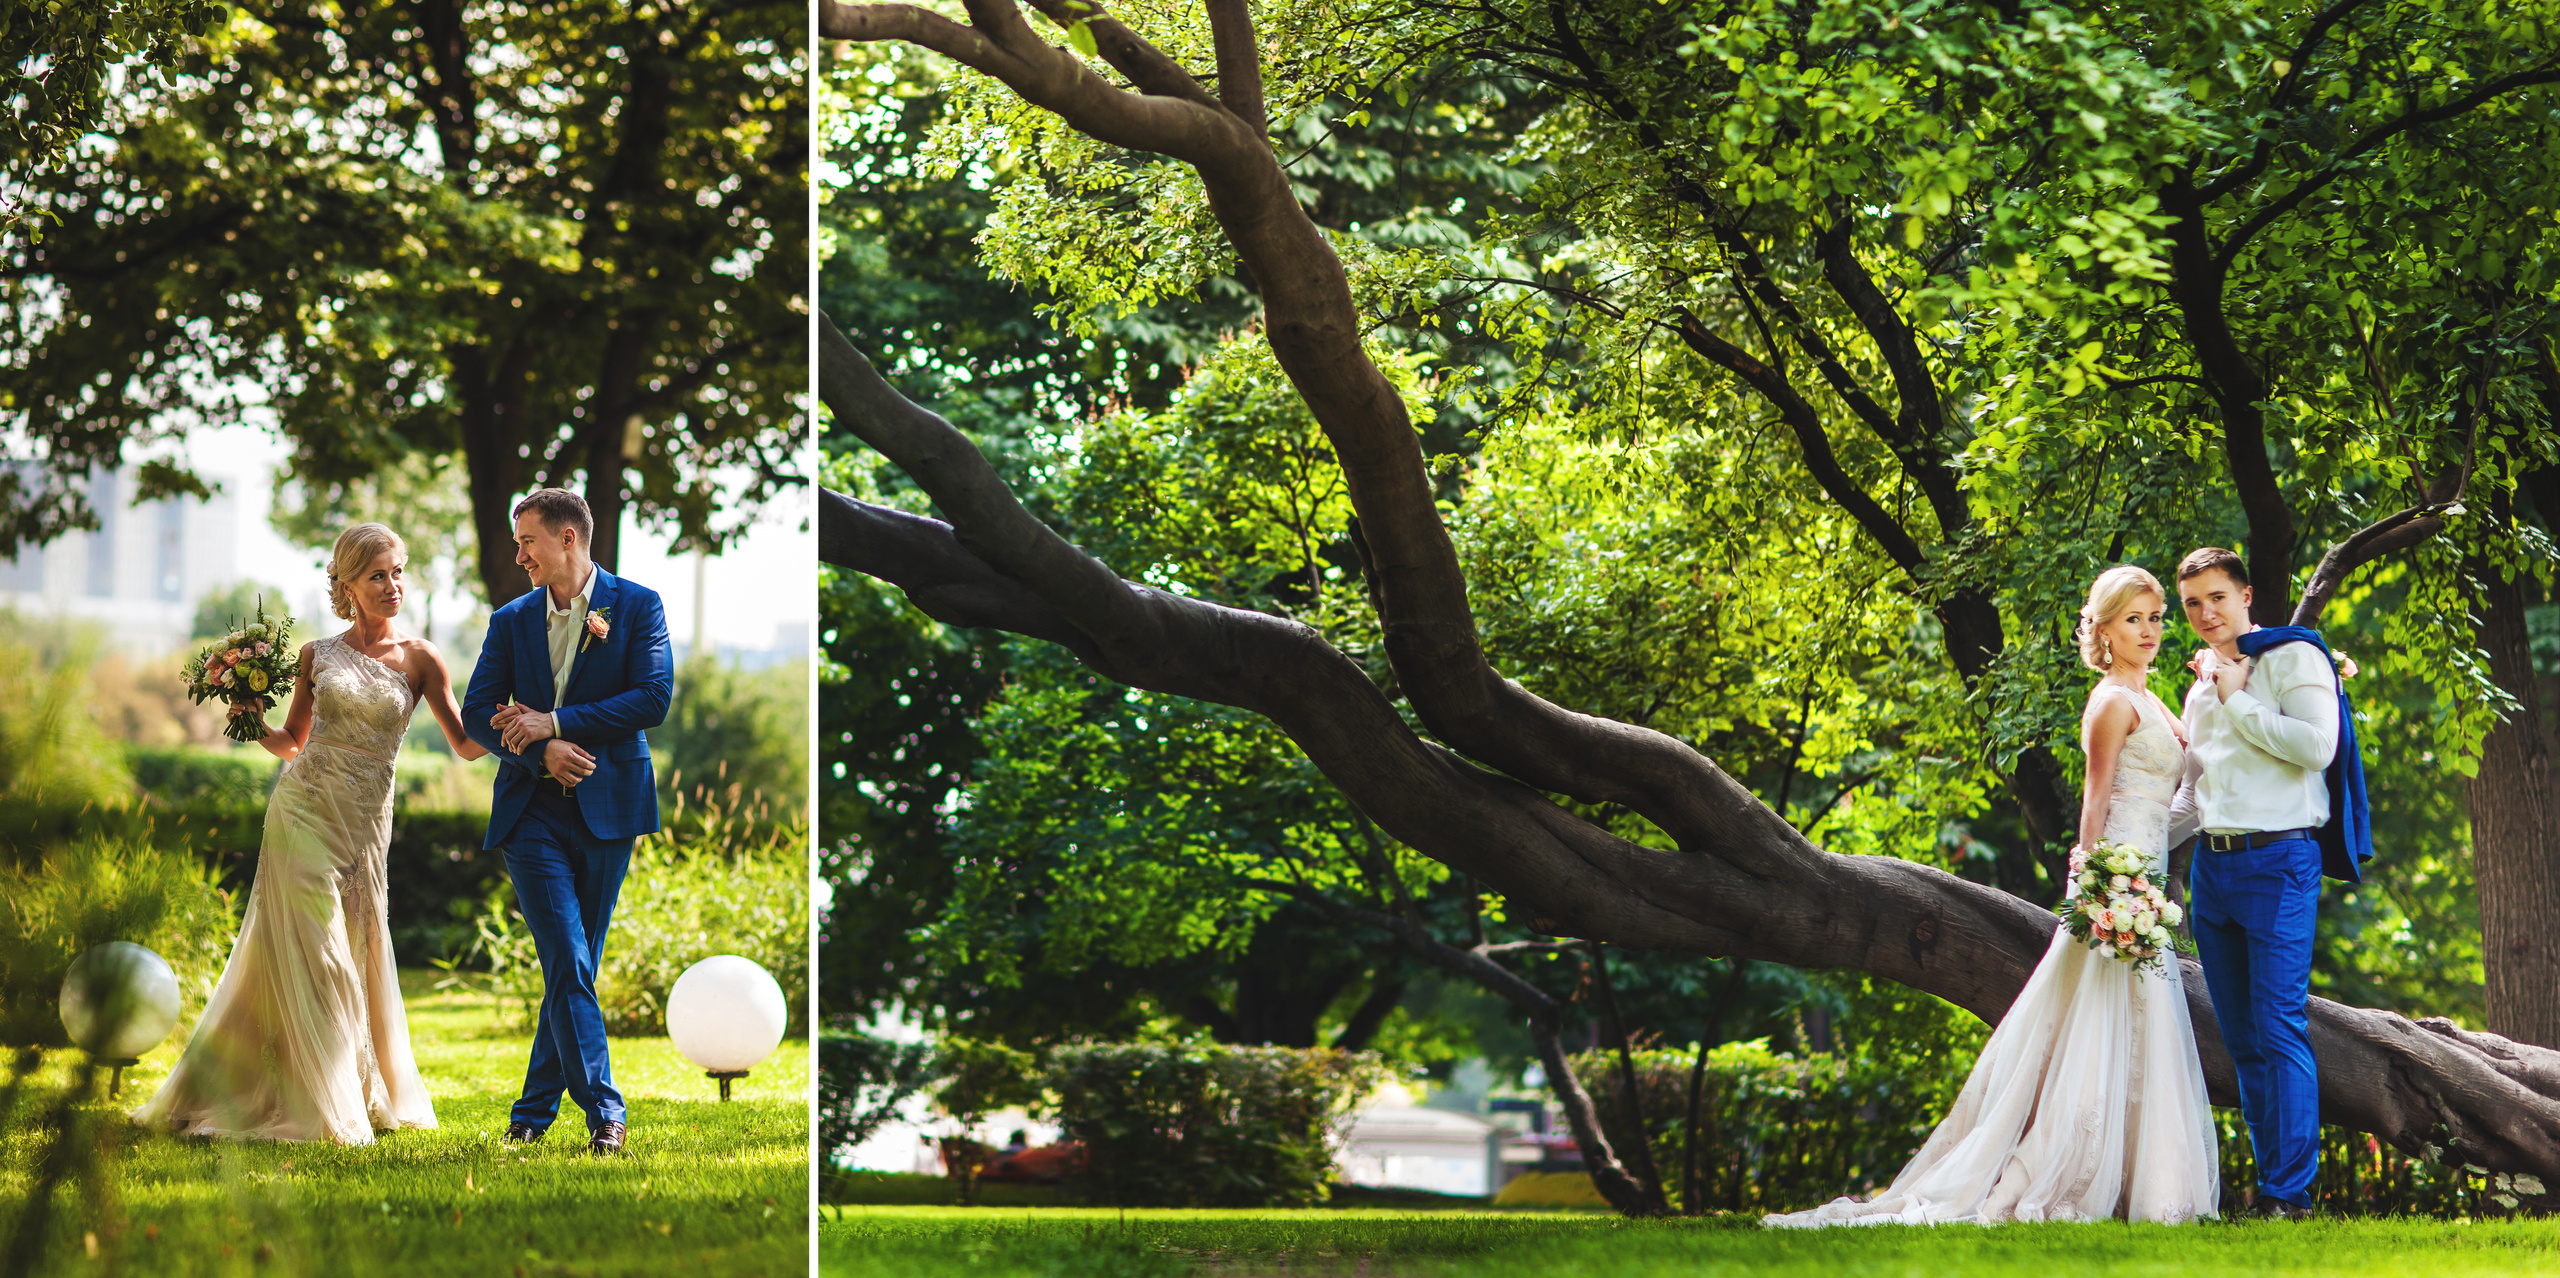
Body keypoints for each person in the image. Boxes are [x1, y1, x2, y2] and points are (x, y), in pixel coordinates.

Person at [1765, 564, 2220, 1227]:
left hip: (2146, 882)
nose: (2149, 631)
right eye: (2134, 620)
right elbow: (2095, 804)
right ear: (2105, 630)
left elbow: (2170, 801)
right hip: (2115, 884)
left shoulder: (2154, 700)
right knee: (2095, 1028)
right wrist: (2097, 886)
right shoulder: (2111, 704)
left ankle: (2141, 1184)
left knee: (2142, 1028)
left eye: (2155, 618)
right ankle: (2048, 1178)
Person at [134, 523, 483, 1143]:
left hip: (364, 826)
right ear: (346, 584)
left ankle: (341, 1085)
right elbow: (292, 742)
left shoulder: (422, 659)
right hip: (300, 812)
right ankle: (322, 1102)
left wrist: (522, 720)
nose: (392, 586)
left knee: (353, 945)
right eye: (377, 575)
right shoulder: (316, 654)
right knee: (320, 951)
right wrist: (249, 717)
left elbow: (465, 744)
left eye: (398, 572)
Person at [461, 488, 672, 1156]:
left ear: (567, 539)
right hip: (530, 810)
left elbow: (653, 697)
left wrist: (554, 723)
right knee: (567, 956)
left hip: (611, 807)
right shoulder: (510, 620)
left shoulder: (637, 606)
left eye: (527, 541)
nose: (519, 555)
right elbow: (476, 714)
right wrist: (538, 751)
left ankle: (530, 1115)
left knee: (572, 966)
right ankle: (606, 1112)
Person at [2169, 546, 2351, 1220]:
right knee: (2242, 1040)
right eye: (2192, 603)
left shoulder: (2293, 658)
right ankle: (2274, 1186)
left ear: (2246, 595)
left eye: (2217, 596)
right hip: (2213, 870)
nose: (2206, 613)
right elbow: (2194, 794)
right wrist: (2117, 852)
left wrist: (2238, 701)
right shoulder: (2199, 686)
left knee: (2278, 1028)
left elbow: (2318, 747)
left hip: (2279, 861)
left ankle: (2288, 1194)